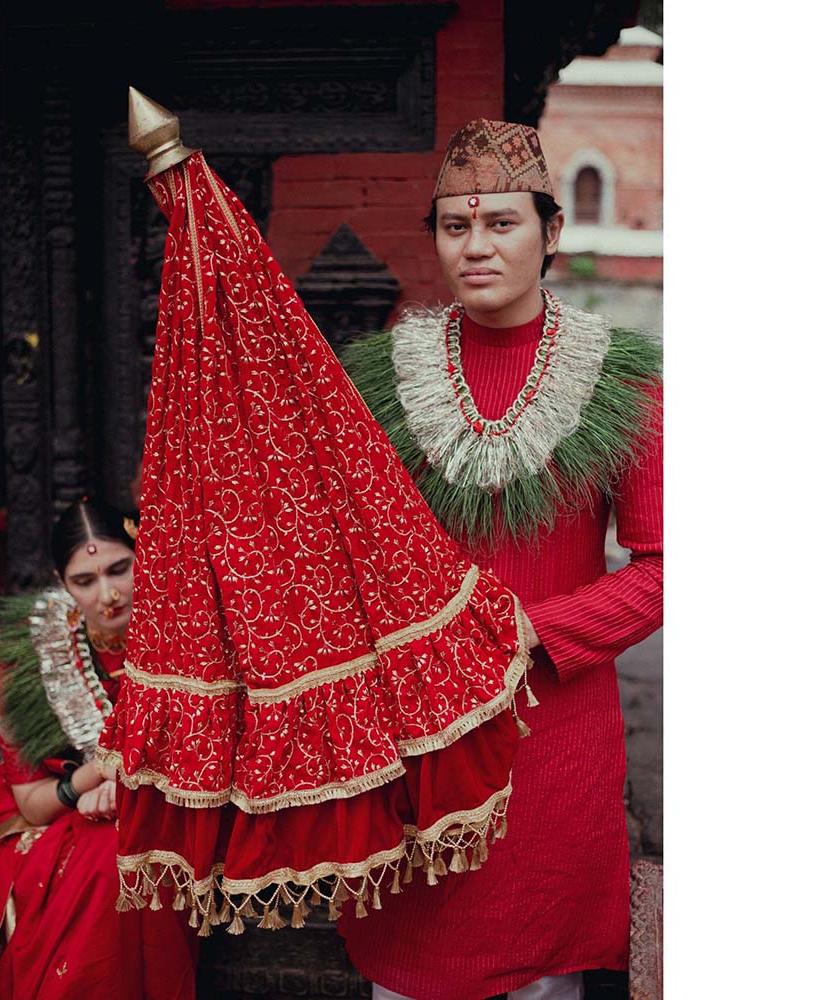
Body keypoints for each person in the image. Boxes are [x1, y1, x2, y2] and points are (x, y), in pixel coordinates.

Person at [337, 120, 663, 1000]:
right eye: (454, 227)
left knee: (539, 974)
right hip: (418, 736)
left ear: (551, 232)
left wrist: (530, 628)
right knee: (411, 972)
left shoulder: (623, 384)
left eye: (502, 224)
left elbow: (665, 568)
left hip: (552, 730)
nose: (475, 247)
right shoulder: (382, 378)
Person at [0, 497, 198, 1000]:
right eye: (84, 581)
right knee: (107, 857)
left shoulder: (190, 634)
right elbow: (31, 804)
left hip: (170, 804)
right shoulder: (27, 662)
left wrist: (125, 784)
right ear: (61, 584)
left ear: (144, 556)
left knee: (122, 852)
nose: (107, 594)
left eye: (119, 569)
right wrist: (93, 779)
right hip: (60, 817)